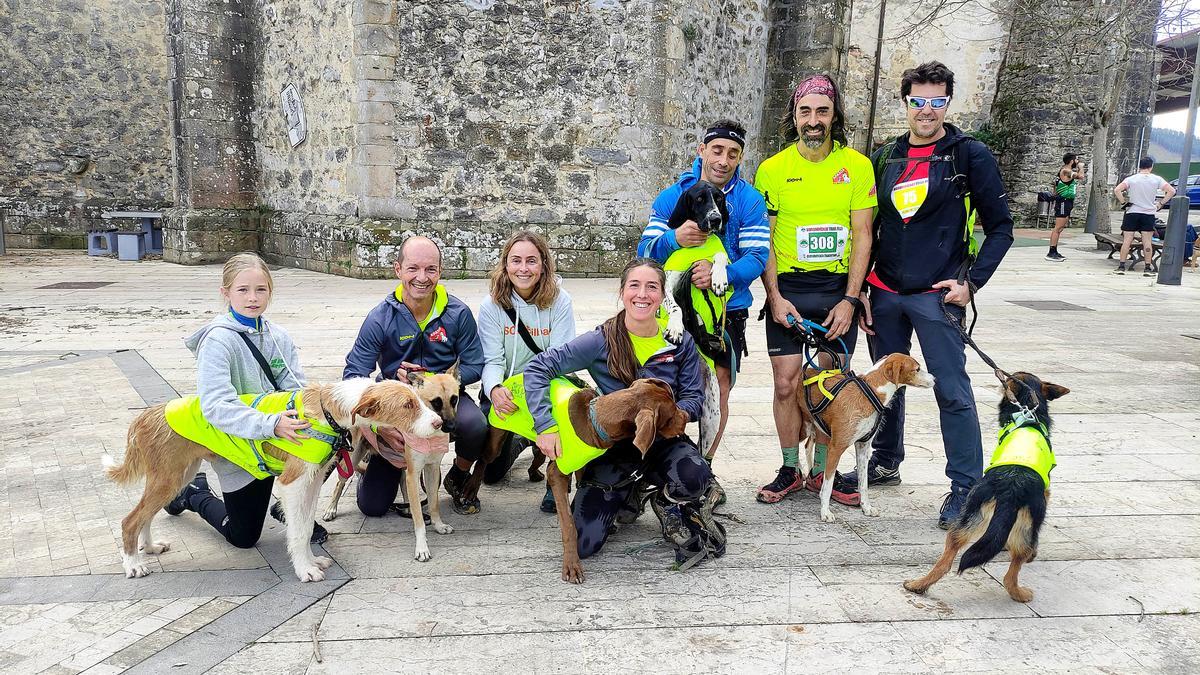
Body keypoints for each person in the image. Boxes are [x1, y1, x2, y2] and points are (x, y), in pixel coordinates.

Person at [849, 61, 1015, 529]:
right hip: (885, 292)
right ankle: (885, 462)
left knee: (951, 390)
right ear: (905, 102)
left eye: (936, 101)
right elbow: (868, 229)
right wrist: (860, 291)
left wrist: (971, 282)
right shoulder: (884, 157)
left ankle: (965, 488)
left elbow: (1001, 228)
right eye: (918, 100)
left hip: (938, 294)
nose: (927, 110)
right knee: (885, 384)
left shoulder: (968, 155)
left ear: (947, 103)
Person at [525, 258, 723, 565]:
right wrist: (545, 425)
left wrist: (676, 415)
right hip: (615, 449)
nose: (642, 294)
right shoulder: (601, 339)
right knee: (585, 544)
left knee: (694, 476)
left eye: (652, 287)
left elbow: (693, 397)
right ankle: (628, 492)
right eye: (634, 285)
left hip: (664, 443)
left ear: (662, 296)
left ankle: (666, 502)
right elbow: (539, 367)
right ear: (622, 292)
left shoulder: (679, 341)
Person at [752, 74, 875, 506]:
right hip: (788, 289)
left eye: (822, 111)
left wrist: (851, 299)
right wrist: (774, 296)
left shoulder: (857, 166)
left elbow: (863, 235)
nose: (814, 120)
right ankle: (790, 467)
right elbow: (763, 238)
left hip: (835, 290)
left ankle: (823, 471)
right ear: (794, 116)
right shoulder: (772, 169)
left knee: (830, 384)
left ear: (834, 115)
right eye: (805, 111)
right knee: (786, 384)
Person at [163, 252, 328, 547]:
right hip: (240, 443)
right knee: (243, 538)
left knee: (329, 443)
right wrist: (270, 424)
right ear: (226, 293)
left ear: (270, 292)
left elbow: (296, 388)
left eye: (260, 289)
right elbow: (216, 405)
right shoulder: (218, 341)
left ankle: (286, 507)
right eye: (243, 290)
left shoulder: (279, 336)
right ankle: (194, 494)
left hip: (278, 437)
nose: (253, 298)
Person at [637, 118, 769, 459]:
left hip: (725, 310)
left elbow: (757, 257)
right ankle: (664, 464)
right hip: (671, 311)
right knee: (662, 388)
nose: (723, 160)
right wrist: (673, 238)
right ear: (702, 150)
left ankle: (704, 467)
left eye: (732, 153)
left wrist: (722, 273)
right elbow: (645, 251)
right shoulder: (672, 197)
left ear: (740, 158)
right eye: (717, 150)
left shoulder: (750, 200)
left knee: (718, 388)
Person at [343, 236, 487, 515]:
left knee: (475, 425)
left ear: (440, 271)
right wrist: (377, 425)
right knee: (372, 507)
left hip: (442, 400)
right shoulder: (379, 318)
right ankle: (375, 464)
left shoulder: (458, 313)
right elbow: (354, 375)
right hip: (397, 407)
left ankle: (458, 475)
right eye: (413, 268)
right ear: (398, 269)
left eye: (430, 269)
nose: (422, 277)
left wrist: (432, 380)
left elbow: (475, 365)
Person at [477, 230, 577, 511]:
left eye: (531, 261)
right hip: (509, 388)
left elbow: (560, 360)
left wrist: (537, 400)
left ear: (543, 265)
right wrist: (495, 389)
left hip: (548, 383)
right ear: (505, 264)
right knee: (491, 475)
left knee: (565, 414)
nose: (523, 268)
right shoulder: (492, 304)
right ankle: (523, 439)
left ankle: (557, 480)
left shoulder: (561, 301)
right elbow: (492, 360)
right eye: (516, 260)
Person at [1113, 157, 1174, 275]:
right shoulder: (1157, 179)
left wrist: (1123, 203)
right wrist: (1160, 203)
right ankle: (1147, 267)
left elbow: (1117, 190)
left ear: (1139, 166)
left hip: (1132, 211)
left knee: (1127, 240)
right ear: (1151, 166)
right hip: (1148, 213)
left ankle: (1121, 266)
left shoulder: (1131, 179)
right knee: (1147, 241)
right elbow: (1171, 191)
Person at [1046, 153, 1086, 262]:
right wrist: (1081, 167)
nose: (1077, 161)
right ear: (1072, 161)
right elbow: (1081, 176)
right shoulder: (1065, 171)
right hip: (1063, 201)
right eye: (1076, 160)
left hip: (1067, 201)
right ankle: (1051, 252)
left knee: (1061, 228)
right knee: (1058, 228)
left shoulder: (1064, 171)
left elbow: (1055, 185)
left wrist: (1055, 193)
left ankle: (1054, 250)